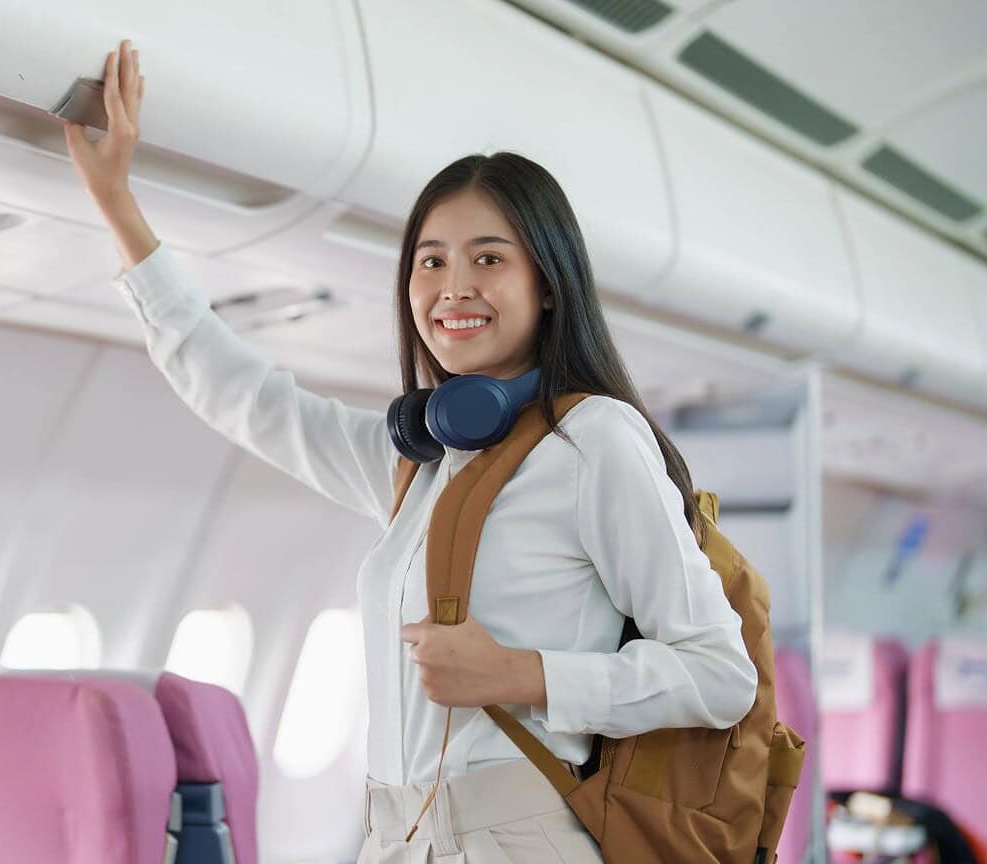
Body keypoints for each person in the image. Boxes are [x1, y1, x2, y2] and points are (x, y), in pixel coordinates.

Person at [63, 38, 757, 863]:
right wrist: (117, 202)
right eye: (431, 262)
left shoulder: (592, 440)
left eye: (488, 259)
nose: (453, 286)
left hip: (520, 840)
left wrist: (522, 673)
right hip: (396, 837)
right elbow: (246, 397)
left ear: (547, 284)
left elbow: (719, 673)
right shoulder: (420, 461)